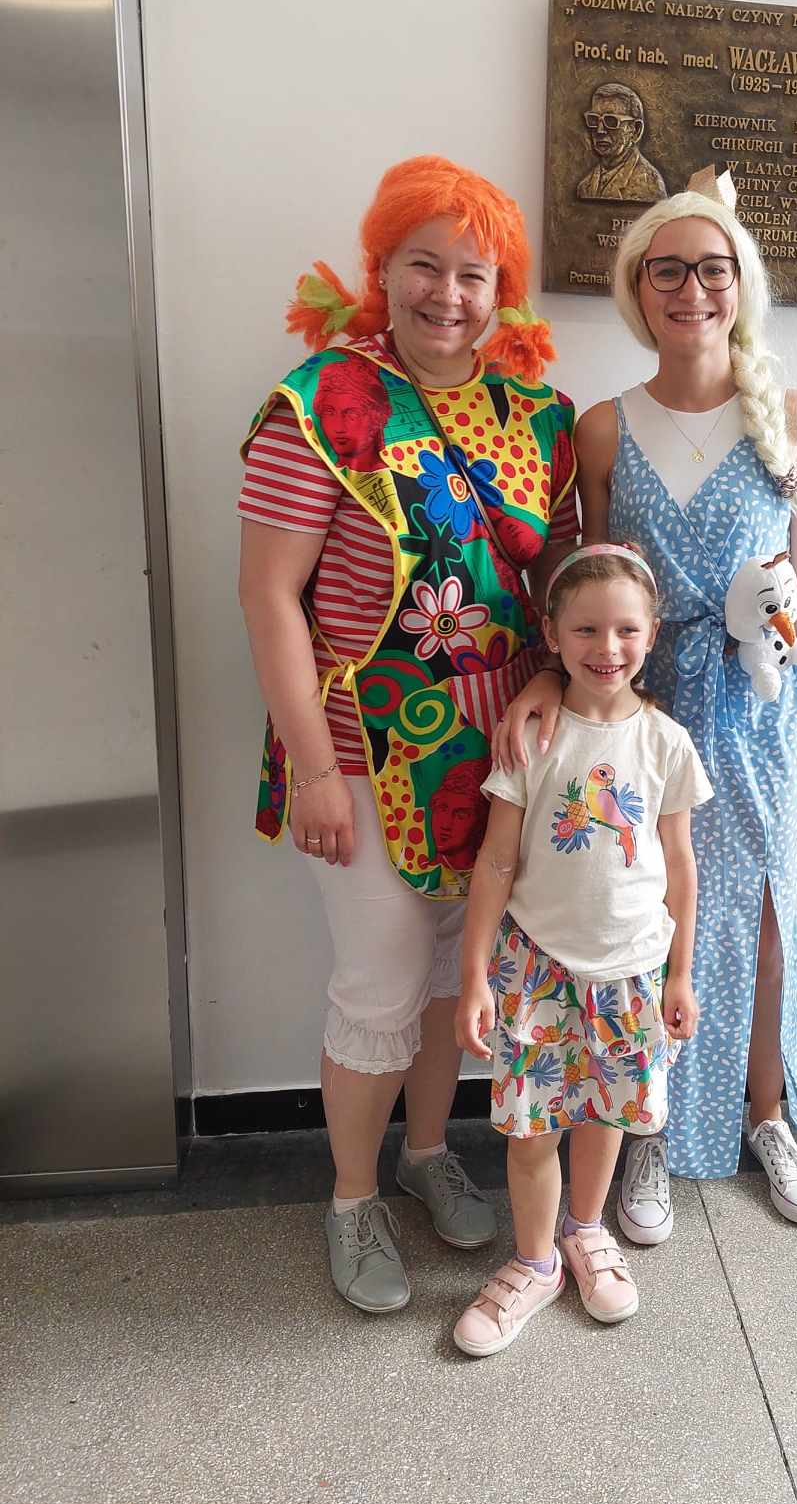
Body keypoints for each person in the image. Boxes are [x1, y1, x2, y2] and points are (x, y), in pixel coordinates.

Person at [237, 155, 579, 1314]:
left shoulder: (537, 411)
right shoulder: (320, 403)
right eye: (423, 266)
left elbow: (559, 578)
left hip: (498, 758)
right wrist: (315, 769)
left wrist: (552, 686)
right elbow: (268, 597)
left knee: (449, 975)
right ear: (380, 270)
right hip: (364, 748)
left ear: (500, 290)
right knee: (379, 983)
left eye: (473, 275)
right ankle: (351, 1199)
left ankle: (428, 1156)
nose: (448, 294)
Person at [494, 168, 797, 1238]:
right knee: (646, 919)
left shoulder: (795, 420)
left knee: (764, 921)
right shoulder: (601, 427)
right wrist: (550, 674)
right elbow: (585, 583)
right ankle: (646, 1129)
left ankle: (763, 1116)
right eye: (668, 270)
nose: (692, 290)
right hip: (639, 709)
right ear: (637, 288)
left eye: (713, 268)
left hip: (758, 708)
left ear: (743, 284)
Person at [452, 545, 712, 1356]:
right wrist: (473, 976)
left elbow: (680, 865)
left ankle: (585, 1231)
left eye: (626, 630)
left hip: (633, 973)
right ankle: (534, 1263)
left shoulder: (666, 742)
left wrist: (681, 973)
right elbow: (496, 862)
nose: (608, 647)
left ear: (651, 633)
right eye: (587, 629)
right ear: (552, 636)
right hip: (535, 970)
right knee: (532, 1130)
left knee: (606, 1114)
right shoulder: (534, 737)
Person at [576, 82, 668, 203]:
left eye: (611, 121)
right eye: (594, 119)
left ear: (635, 130)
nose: (600, 130)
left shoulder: (649, 185)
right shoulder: (585, 186)